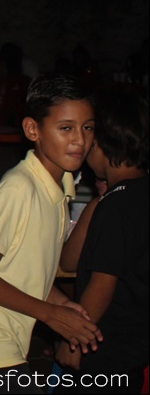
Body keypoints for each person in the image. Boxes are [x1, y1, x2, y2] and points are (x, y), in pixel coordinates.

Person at [0, 74, 102, 393]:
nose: (79, 141)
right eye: (66, 128)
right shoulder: (20, 188)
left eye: (88, 128)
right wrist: (50, 315)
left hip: (1, 339)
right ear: (32, 130)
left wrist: (60, 303)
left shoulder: (59, 186)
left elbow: (26, 270)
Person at [55, 90, 148, 393]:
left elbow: (103, 283)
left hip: (103, 349)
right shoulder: (126, 199)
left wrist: (74, 339)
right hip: (133, 347)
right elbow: (69, 261)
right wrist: (99, 202)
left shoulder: (116, 208)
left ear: (99, 145)